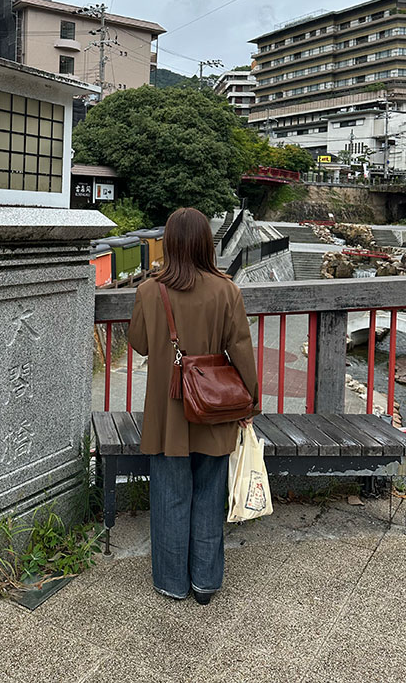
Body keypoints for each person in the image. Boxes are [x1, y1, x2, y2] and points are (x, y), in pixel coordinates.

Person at [127, 207, 259, 605]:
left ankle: (172, 582)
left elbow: (140, 343)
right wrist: (248, 403)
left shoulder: (151, 290)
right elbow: (241, 351)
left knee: (170, 494)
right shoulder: (226, 289)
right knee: (208, 493)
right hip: (214, 409)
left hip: (169, 412)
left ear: (168, 244)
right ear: (207, 243)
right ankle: (205, 581)